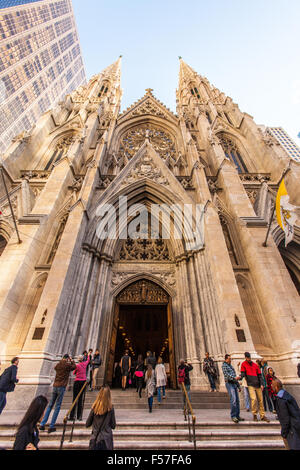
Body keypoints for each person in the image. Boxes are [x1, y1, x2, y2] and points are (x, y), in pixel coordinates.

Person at [40, 354, 76, 433]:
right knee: (57, 406)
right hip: (61, 387)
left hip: (55, 386)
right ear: (67, 359)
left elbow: (55, 367)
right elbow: (74, 367)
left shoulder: (58, 365)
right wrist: (72, 360)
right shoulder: (67, 365)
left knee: (50, 405)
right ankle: (51, 426)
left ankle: (42, 424)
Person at [240, 352, 270, 422]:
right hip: (250, 384)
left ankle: (262, 415)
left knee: (261, 400)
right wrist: (239, 378)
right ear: (245, 358)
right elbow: (243, 373)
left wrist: (262, 384)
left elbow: (259, 375)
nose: (249, 359)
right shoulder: (243, 364)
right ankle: (255, 415)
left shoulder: (255, 365)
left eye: (249, 358)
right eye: (247, 358)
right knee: (254, 399)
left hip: (258, 384)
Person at [272, 378, 300, 450]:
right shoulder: (287, 395)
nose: (271, 387)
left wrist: (283, 433)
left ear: (276, 387)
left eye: (272, 385)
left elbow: (285, 418)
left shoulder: (280, 400)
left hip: (290, 430)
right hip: (295, 426)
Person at [86, 385, 116, 450]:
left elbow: (87, 424)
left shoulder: (94, 408)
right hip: (106, 440)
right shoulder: (110, 409)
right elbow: (113, 425)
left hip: (95, 438)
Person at [222, 354, 244, 423]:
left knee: (237, 400)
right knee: (233, 400)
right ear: (226, 359)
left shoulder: (231, 366)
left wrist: (238, 386)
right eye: (229, 358)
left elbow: (234, 376)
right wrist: (235, 378)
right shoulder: (224, 365)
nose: (230, 360)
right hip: (229, 383)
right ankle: (233, 416)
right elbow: (227, 375)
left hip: (234, 383)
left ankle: (237, 415)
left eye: (230, 358)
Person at [69, 354, 90, 421]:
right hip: (83, 382)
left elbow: (74, 372)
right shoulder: (85, 364)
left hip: (77, 382)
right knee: (81, 399)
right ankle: (79, 416)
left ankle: (72, 416)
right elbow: (88, 361)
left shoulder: (77, 366)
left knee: (75, 399)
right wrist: (89, 355)